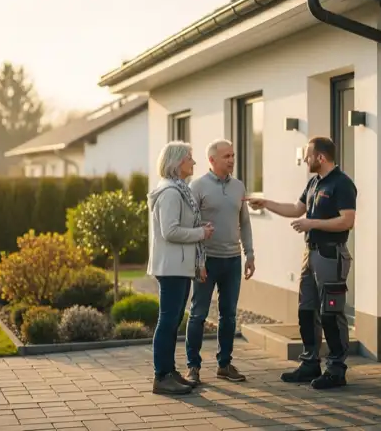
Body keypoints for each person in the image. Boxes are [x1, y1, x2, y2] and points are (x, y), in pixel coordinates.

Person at [245, 136, 357, 390]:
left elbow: (347, 220)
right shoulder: (314, 182)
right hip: (311, 254)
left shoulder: (342, 184)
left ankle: (336, 370)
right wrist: (266, 203)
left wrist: (312, 223)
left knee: (331, 313)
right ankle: (310, 364)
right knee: (306, 310)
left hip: (331, 255)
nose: (305, 159)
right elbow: (296, 209)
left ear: (320, 157)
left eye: (308, 155)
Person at [184, 139, 255, 386]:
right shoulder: (197, 186)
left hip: (232, 260)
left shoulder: (238, 186)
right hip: (207, 261)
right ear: (212, 160)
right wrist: (198, 261)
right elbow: (191, 226)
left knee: (229, 315)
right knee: (198, 314)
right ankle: (193, 367)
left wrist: (250, 254)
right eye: (226, 156)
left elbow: (244, 223)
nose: (232, 160)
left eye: (233, 155)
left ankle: (224, 365)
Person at [147, 141, 215, 395]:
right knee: (168, 321)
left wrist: (198, 230)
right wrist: (200, 233)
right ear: (177, 163)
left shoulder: (179, 190)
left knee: (173, 320)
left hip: (179, 266)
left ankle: (169, 371)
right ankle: (161, 376)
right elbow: (170, 231)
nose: (194, 162)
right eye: (189, 158)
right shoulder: (171, 193)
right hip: (171, 267)